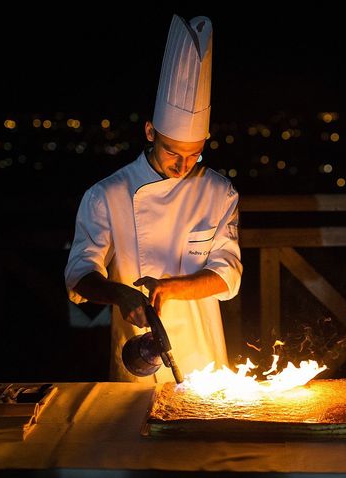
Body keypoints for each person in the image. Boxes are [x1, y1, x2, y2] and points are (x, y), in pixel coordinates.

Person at [64, 14, 242, 382]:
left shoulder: (219, 191)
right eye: (173, 152)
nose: (183, 165)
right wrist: (121, 296)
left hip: (204, 353)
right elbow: (79, 274)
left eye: (194, 154)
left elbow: (228, 274)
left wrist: (172, 288)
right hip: (138, 355)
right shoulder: (107, 193)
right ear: (150, 132)